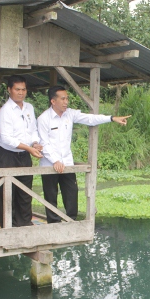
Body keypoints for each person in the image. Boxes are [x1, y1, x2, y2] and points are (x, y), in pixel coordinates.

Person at [37, 85, 130, 223]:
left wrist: (112, 118)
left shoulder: (70, 114)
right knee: (51, 195)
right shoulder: (43, 119)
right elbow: (43, 143)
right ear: (53, 101)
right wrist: (55, 161)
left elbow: (90, 118)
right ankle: (53, 224)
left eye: (67, 98)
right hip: (50, 164)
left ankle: (71, 221)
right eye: (63, 99)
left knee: (72, 192)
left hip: (67, 163)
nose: (66, 102)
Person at [0, 75, 43, 227]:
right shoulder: (5, 111)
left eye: (23, 89)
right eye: (17, 89)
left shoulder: (29, 107)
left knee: (25, 191)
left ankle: (25, 223)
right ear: (9, 90)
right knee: (8, 193)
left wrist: (35, 143)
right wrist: (28, 147)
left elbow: (33, 130)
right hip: (7, 156)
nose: (21, 93)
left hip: (24, 155)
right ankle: (8, 226)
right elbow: (5, 138)